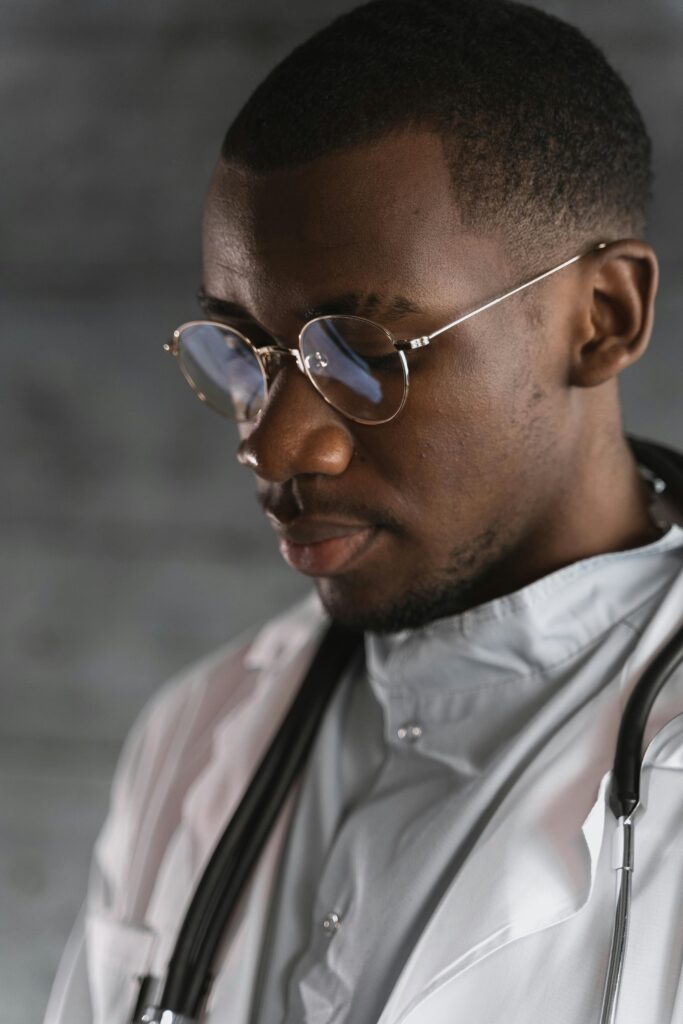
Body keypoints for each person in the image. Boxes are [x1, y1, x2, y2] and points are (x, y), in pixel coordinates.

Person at [45, 1, 683, 1022]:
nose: (272, 446)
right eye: (243, 349)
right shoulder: (192, 735)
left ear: (601, 319)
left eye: (360, 352)